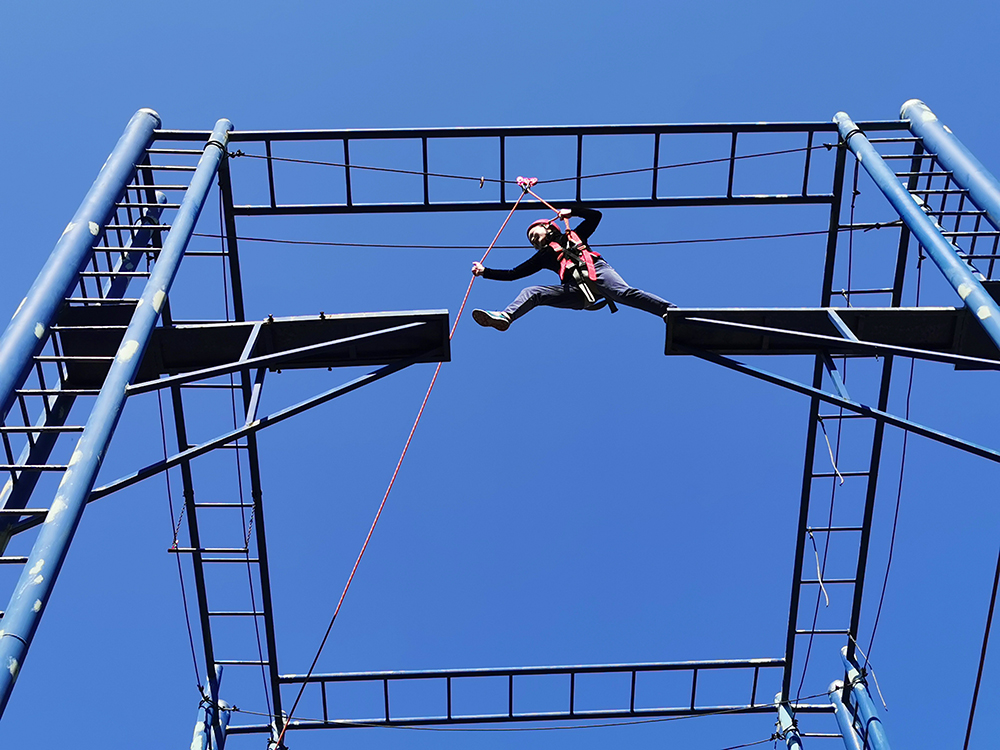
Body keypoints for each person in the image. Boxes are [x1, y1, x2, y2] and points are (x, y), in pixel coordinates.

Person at [471, 207, 675, 331]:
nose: (533, 239)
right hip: (576, 291)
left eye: (535, 234)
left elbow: (595, 216)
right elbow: (514, 274)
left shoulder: (574, 235)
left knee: (624, 293)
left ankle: (670, 312)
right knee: (532, 292)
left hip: (596, 271)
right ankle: (506, 316)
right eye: (531, 239)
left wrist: (573, 211)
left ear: (548, 227)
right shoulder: (543, 256)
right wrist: (485, 271)